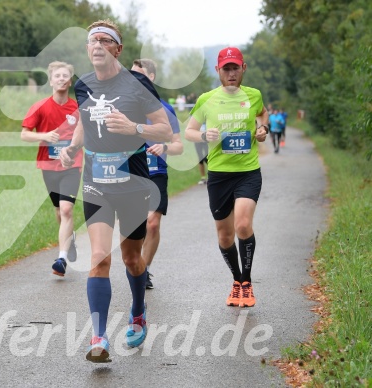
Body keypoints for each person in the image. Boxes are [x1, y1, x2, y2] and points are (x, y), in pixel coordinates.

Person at [59, 19, 172, 363]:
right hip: (95, 182)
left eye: (106, 41)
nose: (98, 45)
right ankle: (99, 337)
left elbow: (165, 131)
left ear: (118, 49)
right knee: (99, 258)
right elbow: (83, 120)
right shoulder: (83, 85)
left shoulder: (137, 84)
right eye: (93, 40)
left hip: (133, 182)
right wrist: (73, 147)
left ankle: (138, 311)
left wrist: (134, 126)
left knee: (131, 258)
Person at [185, 47, 269, 309]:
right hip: (219, 175)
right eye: (226, 69)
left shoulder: (253, 95)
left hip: (247, 172)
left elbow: (262, 114)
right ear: (218, 71)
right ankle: (236, 280)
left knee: (243, 226)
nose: (231, 73)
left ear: (243, 68)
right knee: (224, 236)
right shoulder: (206, 99)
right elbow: (189, 131)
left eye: (235, 68)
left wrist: (263, 127)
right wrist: (203, 136)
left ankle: (246, 282)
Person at [21, 61, 81, 276]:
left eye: (66, 76)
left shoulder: (77, 107)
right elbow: (25, 133)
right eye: (58, 76)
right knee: (59, 210)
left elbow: (86, 134)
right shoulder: (40, 107)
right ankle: (69, 239)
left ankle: (61, 258)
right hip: (48, 164)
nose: (62, 79)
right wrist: (44, 135)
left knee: (66, 209)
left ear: (70, 80)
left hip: (72, 165)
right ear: (51, 80)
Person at [130, 58, 184, 290]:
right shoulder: (124, 106)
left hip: (156, 172)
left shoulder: (166, 109)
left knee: (152, 224)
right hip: (132, 173)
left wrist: (165, 147)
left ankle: (145, 270)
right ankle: (133, 263)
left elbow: (179, 146)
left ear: (151, 77)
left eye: (139, 74)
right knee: (135, 226)